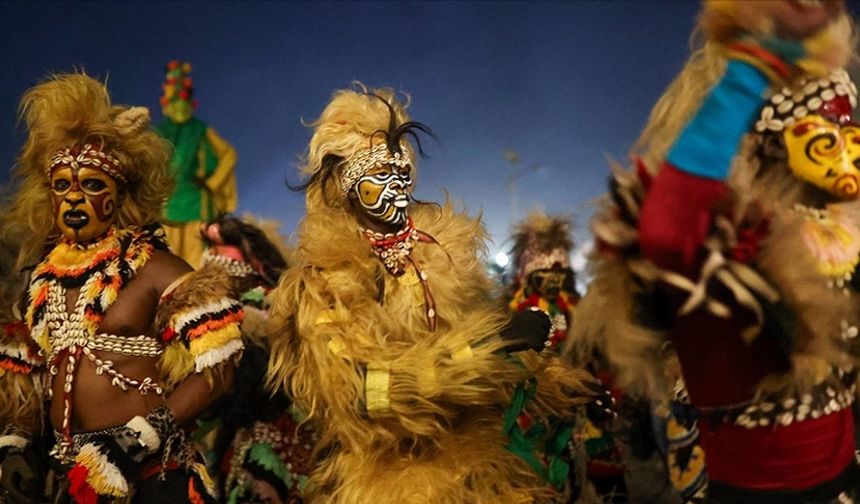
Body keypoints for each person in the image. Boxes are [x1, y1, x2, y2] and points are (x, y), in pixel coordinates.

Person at [578, 1, 859, 502]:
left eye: (850, 125)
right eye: (823, 125)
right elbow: (667, 229)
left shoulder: (843, 232)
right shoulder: (725, 245)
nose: (845, 144)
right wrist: (753, 71)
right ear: (766, 136)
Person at [266, 85, 595, 502]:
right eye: (379, 176)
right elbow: (362, 393)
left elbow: (503, 360)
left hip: (480, 470)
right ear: (347, 185)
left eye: (402, 173)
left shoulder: (444, 253)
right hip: (392, 479)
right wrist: (487, 347)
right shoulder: (322, 281)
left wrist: (559, 389)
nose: (397, 187)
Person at [0, 73, 244, 502]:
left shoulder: (156, 267)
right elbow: (28, 383)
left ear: (121, 195)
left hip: (152, 471)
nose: (74, 198)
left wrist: (138, 440)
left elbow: (219, 368)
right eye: (62, 186)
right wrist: (16, 445)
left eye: (92, 185)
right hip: (67, 475)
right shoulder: (39, 281)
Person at [197, 214, 316, 502]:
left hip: (277, 432)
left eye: (221, 259)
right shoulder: (231, 315)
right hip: (254, 433)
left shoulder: (268, 310)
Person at [157, 61, 238, 267]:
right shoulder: (158, 133)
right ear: (166, 103)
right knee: (169, 260)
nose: (179, 106)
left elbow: (228, 154)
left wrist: (213, 183)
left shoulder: (200, 129)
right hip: (166, 207)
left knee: (198, 264)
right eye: (174, 100)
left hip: (197, 204)